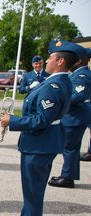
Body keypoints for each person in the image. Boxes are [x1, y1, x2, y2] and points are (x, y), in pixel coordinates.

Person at [1, 39, 81, 216]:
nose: (46, 60)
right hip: (41, 143)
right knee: (31, 187)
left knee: (33, 188)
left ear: (61, 61)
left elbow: (42, 120)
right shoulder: (56, 81)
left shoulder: (53, 86)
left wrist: (13, 121)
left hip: (39, 144)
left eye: (51, 57)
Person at [48, 46, 90, 188]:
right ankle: (68, 175)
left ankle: (67, 177)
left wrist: (59, 98)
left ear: (79, 61)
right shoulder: (77, 74)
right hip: (74, 117)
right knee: (71, 148)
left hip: (75, 117)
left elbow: (78, 96)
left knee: (69, 148)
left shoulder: (82, 75)